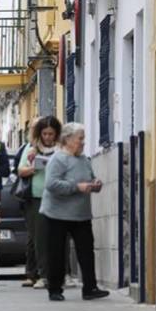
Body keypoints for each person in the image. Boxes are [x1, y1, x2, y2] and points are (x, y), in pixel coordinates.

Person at [40, 123, 110, 302]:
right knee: (56, 253)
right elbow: (51, 184)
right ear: (68, 140)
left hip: (81, 214)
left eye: (83, 138)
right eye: (80, 138)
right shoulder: (58, 159)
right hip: (56, 214)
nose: (83, 142)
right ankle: (55, 289)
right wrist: (76, 187)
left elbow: (89, 177)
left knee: (86, 251)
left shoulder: (84, 160)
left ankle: (90, 287)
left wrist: (95, 183)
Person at [17, 116, 62, 289]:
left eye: (51, 134)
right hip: (36, 197)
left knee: (58, 236)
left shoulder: (61, 150)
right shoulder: (32, 149)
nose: (48, 137)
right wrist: (33, 166)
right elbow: (21, 171)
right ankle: (43, 275)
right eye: (45, 134)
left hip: (57, 197)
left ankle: (59, 273)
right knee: (40, 238)